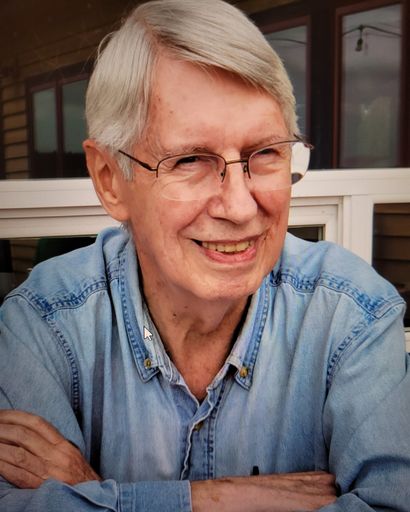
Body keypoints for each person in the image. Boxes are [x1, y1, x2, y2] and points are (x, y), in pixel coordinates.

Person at [0, 0, 409, 510]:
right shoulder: (44, 323)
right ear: (110, 180)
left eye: (265, 153)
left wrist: (95, 493)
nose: (240, 207)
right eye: (191, 160)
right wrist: (220, 499)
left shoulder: (352, 314)